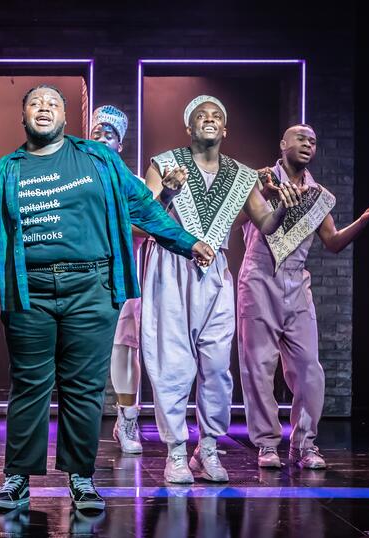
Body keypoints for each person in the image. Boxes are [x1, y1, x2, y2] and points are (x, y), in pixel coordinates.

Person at [0, 84, 214, 511]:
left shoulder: (98, 159)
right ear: (23, 117)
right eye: (35, 102)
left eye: (53, 103)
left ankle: (82, 480)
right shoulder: (4, 172)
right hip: (28, 289)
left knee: (84, 387)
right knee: (30, 385)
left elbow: (143, 207)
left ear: (65, 118)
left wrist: (186, 242)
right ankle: (16, 479)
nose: (44, 108)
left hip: (92, 288)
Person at [141, 96, 302, 484]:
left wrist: (280, 203)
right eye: (201, 115)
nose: (209, 120)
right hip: (170, 267)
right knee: (173, 363)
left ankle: (208, 448)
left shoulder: (242, 175)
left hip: (214, 273)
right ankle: (176, 452)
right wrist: (167, 194)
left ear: (225, 129)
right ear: (189, 127)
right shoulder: (164, 164)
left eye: (217, 116)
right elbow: (143, 219)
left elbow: (266, 224)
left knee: (215, 366)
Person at [237, 124, 369, 469]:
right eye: (301, 138)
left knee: (309, 368)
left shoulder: (318, 196)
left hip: (296, 282)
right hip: (259, 277)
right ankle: (266, 444)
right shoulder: (260, 181)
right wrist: (266, 194)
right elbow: (234, 222)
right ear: (283, 144)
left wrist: (363, 220)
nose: (308, 144)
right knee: (259, 366)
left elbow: (333, 241)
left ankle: (304, 443)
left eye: (314, 141)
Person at [90, 105, 144, 454]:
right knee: (80, 352)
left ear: (120, 144)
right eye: (96, 133)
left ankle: (127, 420)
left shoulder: (134, 183)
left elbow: (150, 224)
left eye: (108, 135)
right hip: (82, 277)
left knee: (125, 350)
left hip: (123, 276)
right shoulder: (73, 178)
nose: (101, 139)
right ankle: (80, 422)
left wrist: (112, 225)